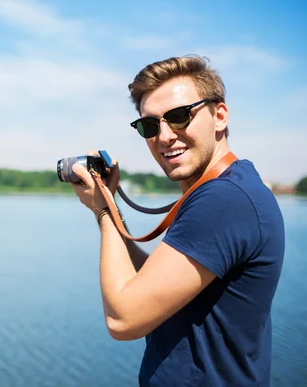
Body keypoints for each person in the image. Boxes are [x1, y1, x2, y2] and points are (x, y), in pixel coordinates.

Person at [71, 56, 285, 386]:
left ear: (219, 115)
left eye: (179, 116)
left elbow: (122, 319)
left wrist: (102, 213)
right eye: (150, 125)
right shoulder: (232, 188)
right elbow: (153, 285)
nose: (165, 135)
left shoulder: (224, 201)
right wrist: (110, 205)